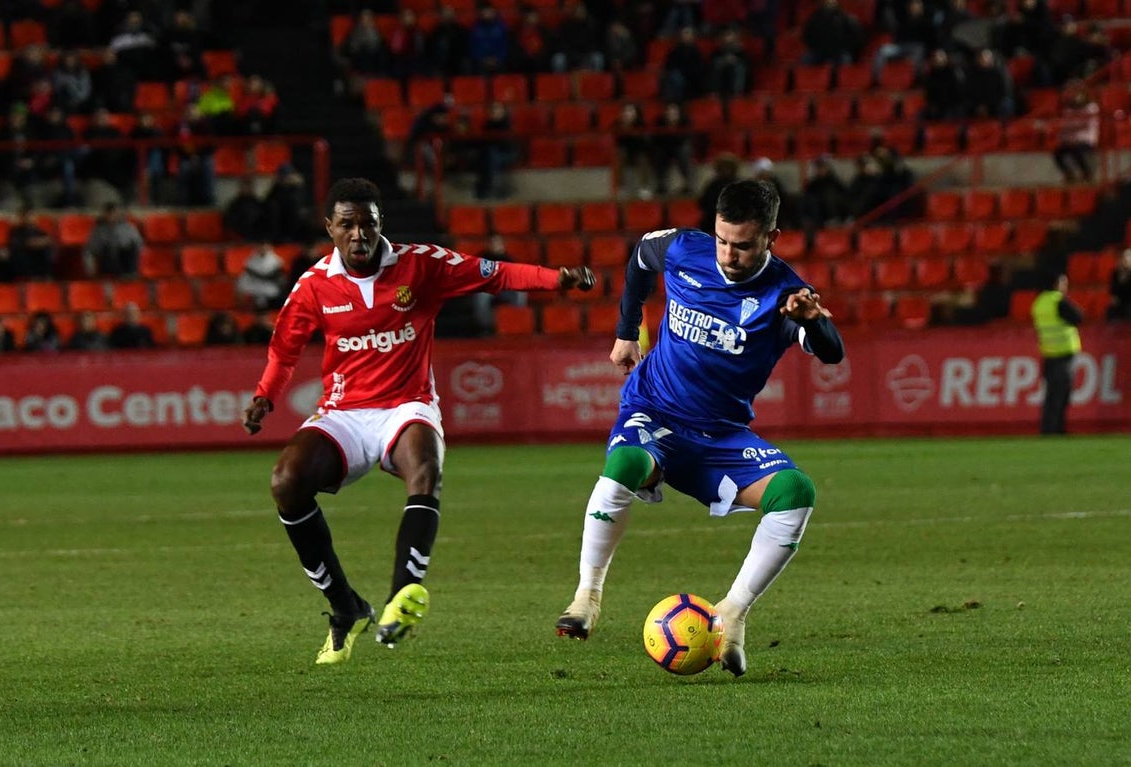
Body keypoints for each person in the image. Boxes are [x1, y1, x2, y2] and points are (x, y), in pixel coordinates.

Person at [240, 178, 596, 666]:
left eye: (368, 223)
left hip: (407, 404)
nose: (359, 234)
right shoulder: (313, 286)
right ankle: (345, 607)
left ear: (381, 223)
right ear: (330, 228)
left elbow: (492, 274)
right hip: (345, 412)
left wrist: (555, 278)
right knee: (285, 480)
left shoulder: (421, 265)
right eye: (347, 224)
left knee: (424, 468)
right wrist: (265, 396)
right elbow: (284, 350)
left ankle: (402, 597)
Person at [553, 180, 844, 678]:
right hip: (655, 411)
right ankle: (588, 595)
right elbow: (642, 256)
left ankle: (732, 612)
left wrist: (813, 320)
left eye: (744, 244)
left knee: (795, 492)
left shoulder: (785, 295)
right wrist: (627, 331)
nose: (729, 254)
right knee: (623, 464)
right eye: (722, 240)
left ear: (772, 237)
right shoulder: (685, 248)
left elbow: (832, 351)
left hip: (721, 437)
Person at [1030, 273, 1082, 435]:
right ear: (1056, 284)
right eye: (1063, 283)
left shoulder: (1038, 303)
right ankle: (1056, 429)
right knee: (1061, 395)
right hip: (1063, 353)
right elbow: (1078, 317)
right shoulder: (1058, 301)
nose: (1065, 287)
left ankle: (1048, 428)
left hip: (1048, 353)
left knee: (1050, 395)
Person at [84, 202, 144, 277]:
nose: (112, 216)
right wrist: (90, 269)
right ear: (105, 214)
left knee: (131, 247)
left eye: (114, 213)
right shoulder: (99, 230)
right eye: (110, 213)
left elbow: (139, 245)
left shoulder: (129, 228)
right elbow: (90, 250)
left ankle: (130, 275)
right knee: (111, 249)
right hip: (108, 260)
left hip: (127, 262)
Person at [1107, 248, 1131, 321]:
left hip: (1129, 302)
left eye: (1128, 257)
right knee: (1110, 311)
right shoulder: (1116, 273)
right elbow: (1112, 290)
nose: (1125, 260)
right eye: (1123, 257)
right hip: (1119, 302)